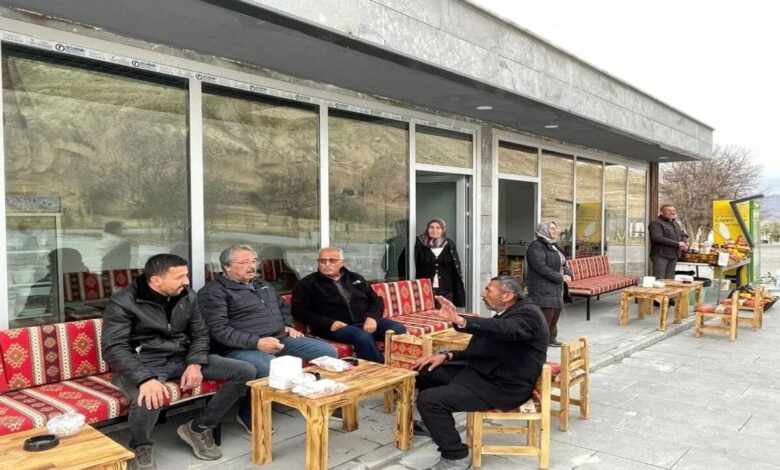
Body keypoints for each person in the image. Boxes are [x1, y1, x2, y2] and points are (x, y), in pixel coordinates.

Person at [102, 254, 255, 470]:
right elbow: (114, 347)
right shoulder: (124, 302)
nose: (187, 281)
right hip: (144, 363)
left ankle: (199, 428)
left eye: (186, 275)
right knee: (148, 397)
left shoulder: (187, 295)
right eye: (180, 277)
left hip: (182, 357)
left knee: (245, 370)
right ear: (156, 280)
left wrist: (195, 363)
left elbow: (200, 333)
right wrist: (144, 379)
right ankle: (141, 446)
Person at [412, 276, 548, 470]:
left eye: (488, 290)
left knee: (429, 400)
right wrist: (447, 355)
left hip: (502, 387)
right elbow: (483, 350)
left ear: (507, 296)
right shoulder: (508, 312)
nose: (483, 294)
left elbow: (506, 330)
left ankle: (456, 456)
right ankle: (434, 423)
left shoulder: (528, 315)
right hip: (483, 373)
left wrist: (461, 320)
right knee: (426, 371)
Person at [198, 244, 337, 433]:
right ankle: (249, 414)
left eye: (254, 261)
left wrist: (287, 325)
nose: (252, 266)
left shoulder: (261, 284)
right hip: (239, 347)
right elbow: (218, 330)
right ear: (227, 267)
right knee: (267, 366)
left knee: (327, 352)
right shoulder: (213, 292)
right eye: (245, 262)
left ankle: (317, 398)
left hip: (279, 338)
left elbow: (282, 306)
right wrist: (256, 342)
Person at [291, 247, 406, 363]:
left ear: (342, 262)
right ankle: (379, 369)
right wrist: (328, 323)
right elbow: (299, 311)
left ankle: (399, 364)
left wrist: (372, 318)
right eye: (322, 261)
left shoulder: (355, 278)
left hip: (364, 321)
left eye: (332, 260)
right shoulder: (307, 283)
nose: (327, 264)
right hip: (334, 327)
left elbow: (376, 300)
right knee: (363, 336)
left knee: (397, 328)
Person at [526, 221, 572, 347]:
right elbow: (540, 267)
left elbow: (564, 262)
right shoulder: (536, 246)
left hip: (555, 285)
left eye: (555, 228)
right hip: (542, 286)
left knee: (555, 312)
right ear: (544, 230)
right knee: (547, 314)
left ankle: (551, 339)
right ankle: (540, 342)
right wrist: (559, 277)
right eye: (552, 228)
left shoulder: (554, 245)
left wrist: (568, 273)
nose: (555, 231)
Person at [414, 218, 466, 308]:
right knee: (428, 313)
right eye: (431, 227)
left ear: (443, 230)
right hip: (425, 288)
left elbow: (456, 267)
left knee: (445, 314)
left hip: (446, 290)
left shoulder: (449, 244)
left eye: (438, 228)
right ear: (427, 229)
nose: (434, 230)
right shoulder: (420, 244)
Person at [648, 204, 689, 280]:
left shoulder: (675, 223)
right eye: (669, 211)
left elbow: (683, 234)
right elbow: (657, 238)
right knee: (659, 279)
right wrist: (677, 244)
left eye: (673, 210)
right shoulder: (656, 223)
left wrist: (684, 244)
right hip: (661, 256)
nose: (672, 212)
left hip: (674, 255)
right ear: (661, 212)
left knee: (670, 279)